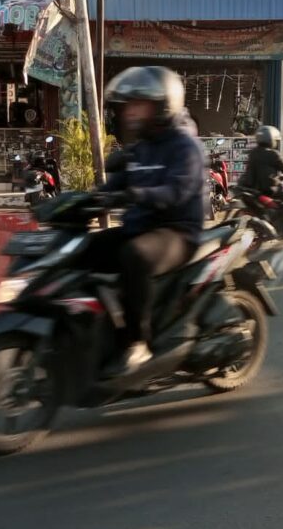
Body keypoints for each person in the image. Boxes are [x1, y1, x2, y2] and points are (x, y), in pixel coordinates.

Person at [87, 66, 206, 375]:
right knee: (83, 248)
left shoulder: (185, 147)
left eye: (139, 104)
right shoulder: (140, 149)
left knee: (134, 256)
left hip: (177, 231)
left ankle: (138, 343)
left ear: (163, 105)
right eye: (128, 105)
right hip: (141, 227)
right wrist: (84, 200)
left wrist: (135, 195)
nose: (130, 112)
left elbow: (176, 192)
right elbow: (113, 187)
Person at [238, 125, 283, 229]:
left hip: (255, 189)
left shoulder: (253, 153)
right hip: (271, 189)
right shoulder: (273, 154)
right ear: (271, 139)